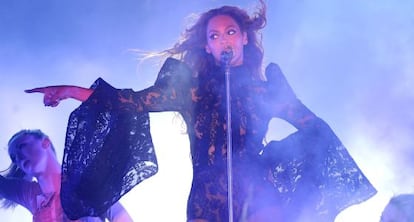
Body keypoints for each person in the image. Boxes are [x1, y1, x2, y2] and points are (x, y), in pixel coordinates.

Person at [25, 1, 377, 221]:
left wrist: (280, 157)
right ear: (207, 48)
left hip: (257, 188)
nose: (223, 40)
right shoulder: (190, 91)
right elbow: (130, 101)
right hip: (207, 197)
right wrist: (71, 91)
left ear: (242, 38)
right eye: (214, 36)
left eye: (230, 32)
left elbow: (314, 128)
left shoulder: (264, 90)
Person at [0, 129, 134, 222]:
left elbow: (120, 217)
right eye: (14, 157)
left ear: (45, 142)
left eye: (21, 146)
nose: (18, 157)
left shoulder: (88, 182)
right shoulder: (30, 195)